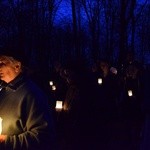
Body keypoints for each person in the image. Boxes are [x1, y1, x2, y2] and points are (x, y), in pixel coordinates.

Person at [0, 54, 56, 150]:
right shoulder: (4, 90)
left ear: (17, 66)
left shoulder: (32, 94)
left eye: (2, 63)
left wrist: (6, 142)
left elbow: (42, 137)